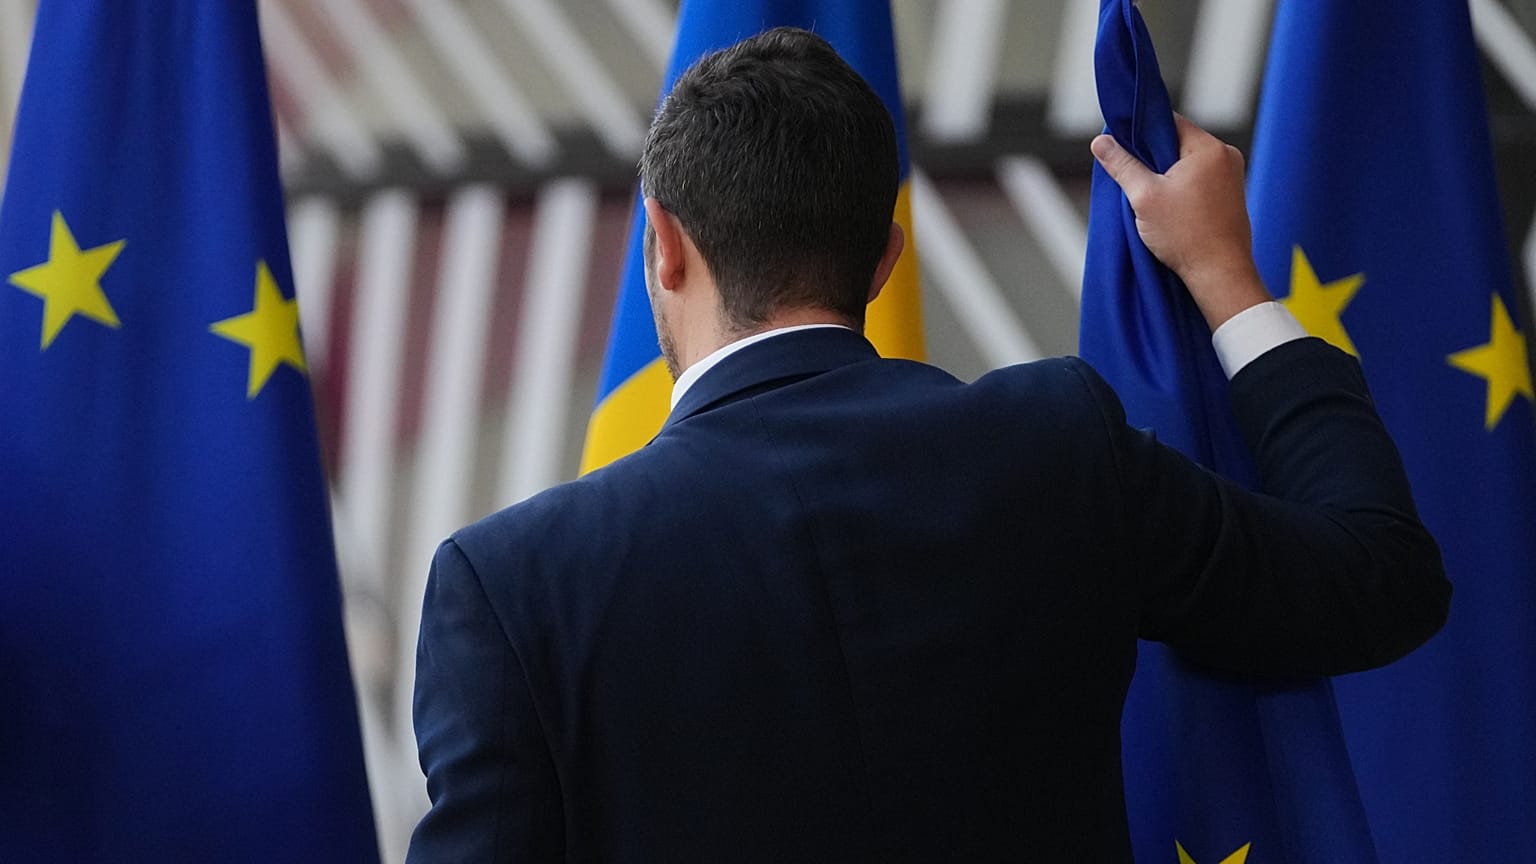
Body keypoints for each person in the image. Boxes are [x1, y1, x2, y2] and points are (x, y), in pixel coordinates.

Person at [406, 27, 1448, 863]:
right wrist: (1227, 274)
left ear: (664, 245)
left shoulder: (509, 586)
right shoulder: (1059, 449)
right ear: (885, 259)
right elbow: (1379, 577)